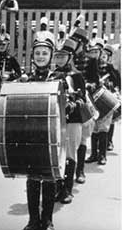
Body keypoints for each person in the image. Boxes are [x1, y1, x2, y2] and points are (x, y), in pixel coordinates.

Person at [22, 38, 57, 230]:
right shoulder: (26, 78)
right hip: (31, 133)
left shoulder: (59, 77)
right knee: (33, 176)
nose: (41, 57)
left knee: (50, 175)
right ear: (33, 56)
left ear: (51, 56)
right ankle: (33, 220)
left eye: (44, 53)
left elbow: (71, 102)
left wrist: (68, 104)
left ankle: (48, 220)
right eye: (37, 53)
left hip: (51, 133)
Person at [49, 42, 85, 204]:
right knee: (56, 154)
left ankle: (68, 190)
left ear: (69, 57)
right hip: (55, 119)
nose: (60, 59)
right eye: (57, 56)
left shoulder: (76, 75)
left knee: (70, 153)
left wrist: (72, 104)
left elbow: (82, 98)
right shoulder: (51, 74)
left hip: (73, 120)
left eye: (63, 56)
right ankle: (58, 187)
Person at [69, 27, 98, 184]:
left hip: (84, 101)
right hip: (69, 100)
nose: (74, 44)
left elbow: (96, 80)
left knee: (82, 139)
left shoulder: (91, 60)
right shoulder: (68, 58)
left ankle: (80, 171)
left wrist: (89, 85)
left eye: (77, 42)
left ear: (82, 43)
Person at [85, 38, 113, 166]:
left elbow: (117, 82)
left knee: (103, 128)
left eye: (98, 52)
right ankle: (94, 155)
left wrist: (109, 84)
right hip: (92, 98)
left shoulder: (110, 68)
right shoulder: (89, 65)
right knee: (94, 127)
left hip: (104, 99)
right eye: (93, 52)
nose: (96, 55)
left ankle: (102, 155)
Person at [0, 24, 21, 141]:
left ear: (7, 45)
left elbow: (19, 72)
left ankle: (6, 132)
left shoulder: (11, 59)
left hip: (7, 86)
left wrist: (9, 77)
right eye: (0, 44)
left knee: (6, 109)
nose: (2, 46)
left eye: (4, 44)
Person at [100, 44, 120, 151]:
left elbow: (117, 82)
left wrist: (115, 90)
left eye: (105, 56)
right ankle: (100, 143)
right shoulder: (96, 67)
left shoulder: (112, 68)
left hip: (110, 95)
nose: (103, 57)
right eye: (101, 55)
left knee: (110, 120)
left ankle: (109, 141)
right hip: (99, 96)